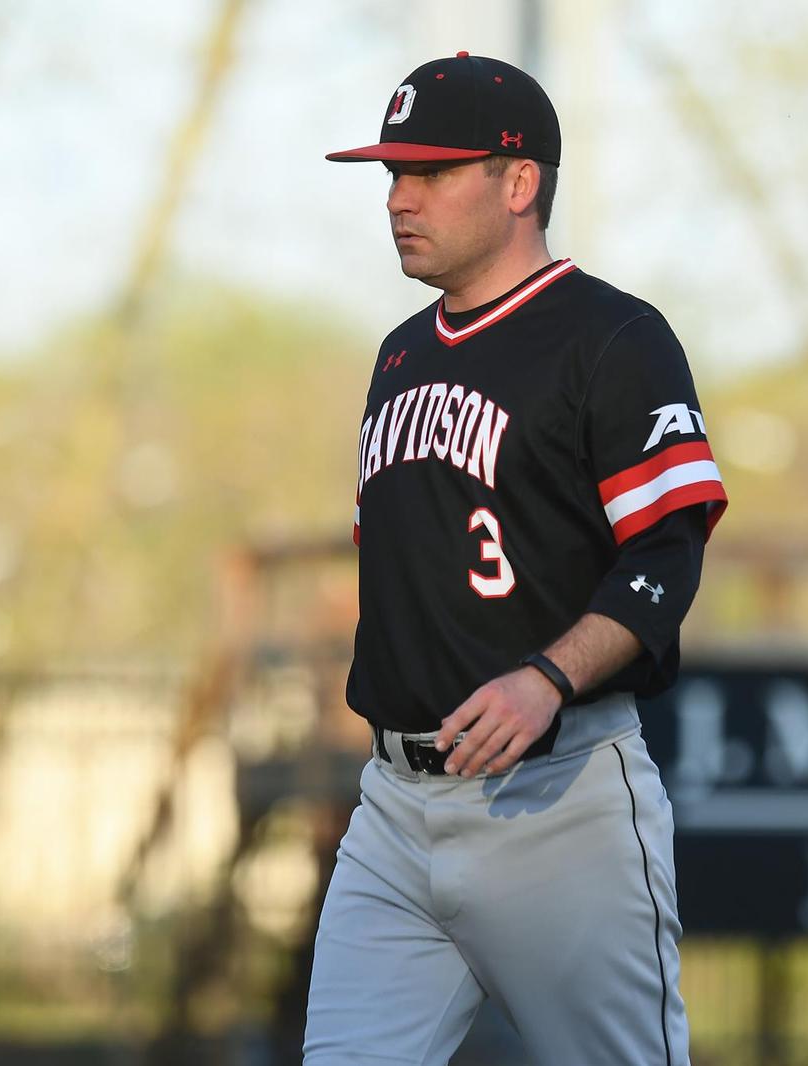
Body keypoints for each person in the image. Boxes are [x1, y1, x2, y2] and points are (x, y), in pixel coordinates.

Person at [308, 52, 727, 1066]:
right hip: (396, 808)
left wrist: (548, 675)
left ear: (518, 180)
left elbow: (666, 552)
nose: (399, 198)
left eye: (429, 170)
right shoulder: (400, 354)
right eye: (391, 175)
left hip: (558, 800)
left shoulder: (611, 337)